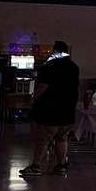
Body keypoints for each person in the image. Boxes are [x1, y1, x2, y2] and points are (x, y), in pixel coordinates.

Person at [20, 41, 80, 177]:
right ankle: (61, 166)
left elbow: (43, 86)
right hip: (68, 109)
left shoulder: (50, 66)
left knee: (43, 139)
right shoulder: (74, 67)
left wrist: (34, 98)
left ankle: (36, 166)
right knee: (62, 138)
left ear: (56, 51)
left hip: (50, 109)